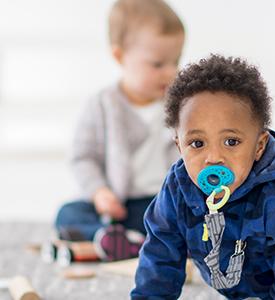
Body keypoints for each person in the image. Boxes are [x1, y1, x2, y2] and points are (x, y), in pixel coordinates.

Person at [132, 55, 275, 299]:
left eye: (231, 142)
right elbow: (160, 254)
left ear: (259, 146)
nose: (213, 158)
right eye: (197, 143)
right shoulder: (177, 189)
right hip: (239, 251)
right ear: (179, 146)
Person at [54, 0, 185, 261]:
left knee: (192, 219)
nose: (170, 72)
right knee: (67, 214)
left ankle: (142, 242)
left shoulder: (182, 105)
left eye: (176, 61)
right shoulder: (102, 105)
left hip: (161, 203)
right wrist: (100, 192)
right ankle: (109, 238)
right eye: (158, 64)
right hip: (118, 208)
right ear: (120, 56)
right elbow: (83, 157)